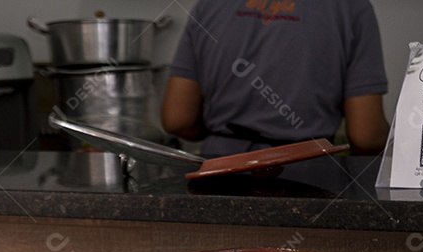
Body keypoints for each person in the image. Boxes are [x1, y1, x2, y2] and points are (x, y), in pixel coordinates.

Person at [161, 0, 390, 157]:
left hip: (219, 170)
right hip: (310, 174)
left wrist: (224, 138)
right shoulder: (353, 8)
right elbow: (366, 136)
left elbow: (177, 119)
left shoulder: (208, 6)